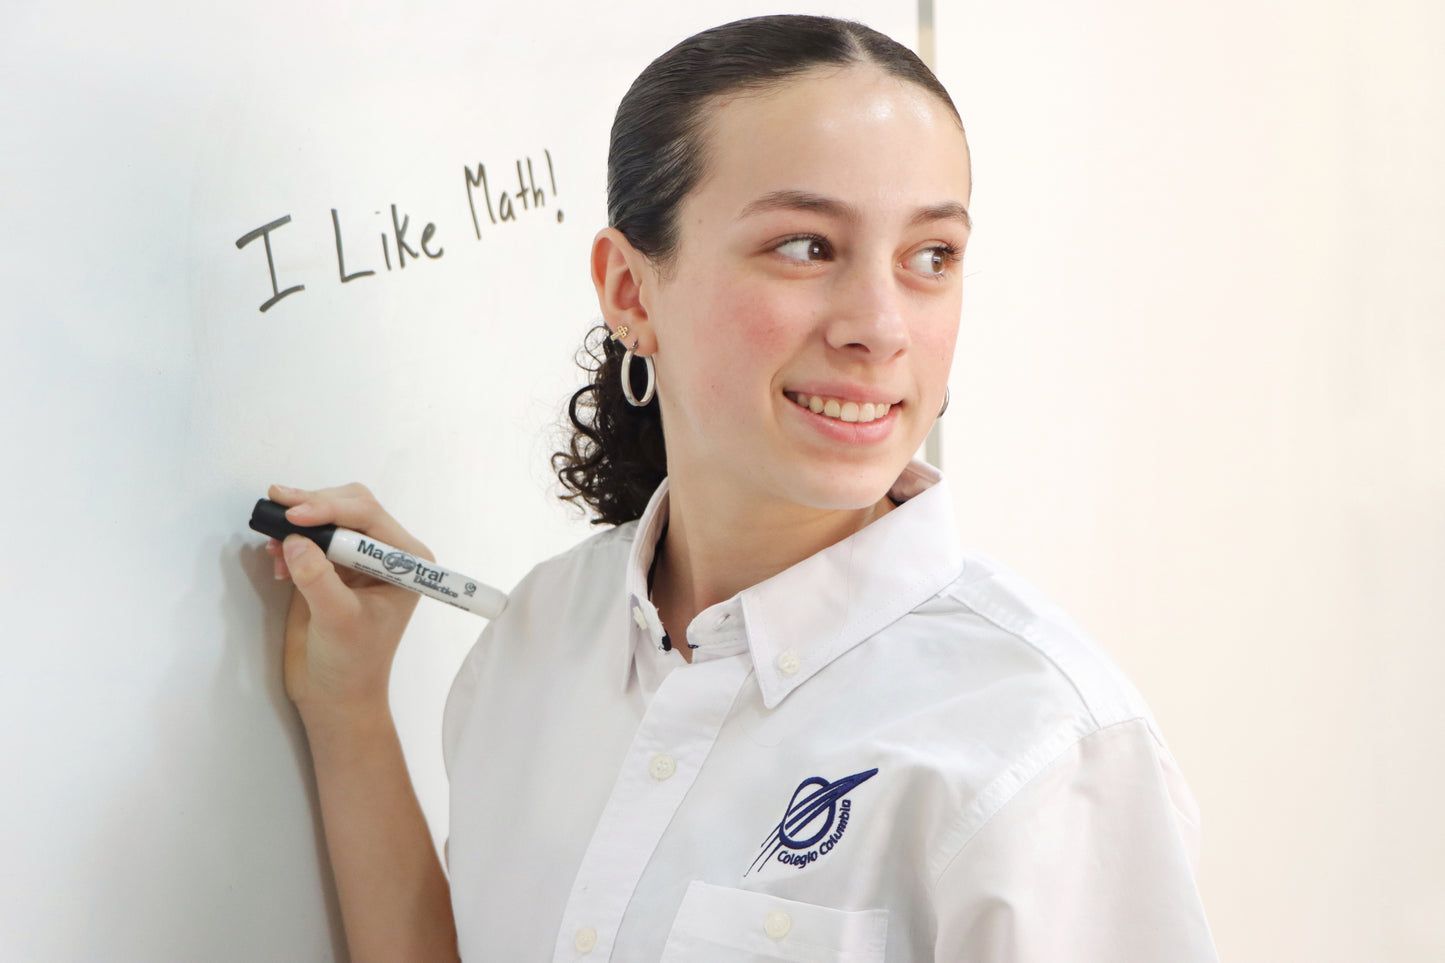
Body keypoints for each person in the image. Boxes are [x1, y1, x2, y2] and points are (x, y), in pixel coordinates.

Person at [263, 14, 1219, 962]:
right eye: (805, 245)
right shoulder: (537, 639)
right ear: (631, 292)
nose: (879, 327)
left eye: (931, 257)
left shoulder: (1042, 745)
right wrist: (348, 714)